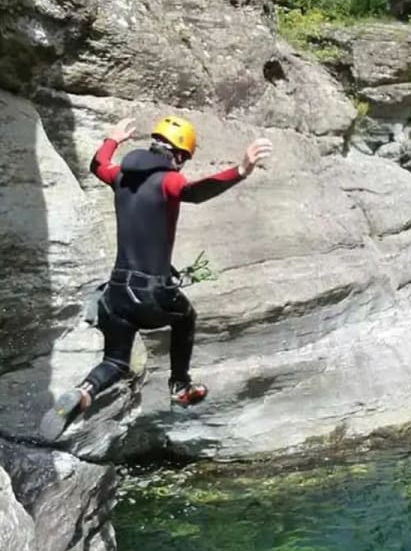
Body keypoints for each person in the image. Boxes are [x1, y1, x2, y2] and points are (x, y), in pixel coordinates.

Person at [39, 115, 273, 441]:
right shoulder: (168, 181)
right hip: (151, 294)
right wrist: (241, 170)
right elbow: (195, 191)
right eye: (184, 159)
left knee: (116, 361)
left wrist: (111, 139)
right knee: (185, 316)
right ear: (177, 155)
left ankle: (83, 392)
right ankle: (180, 385)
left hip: (116, 294)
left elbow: (98, 165)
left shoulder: (120, 176)